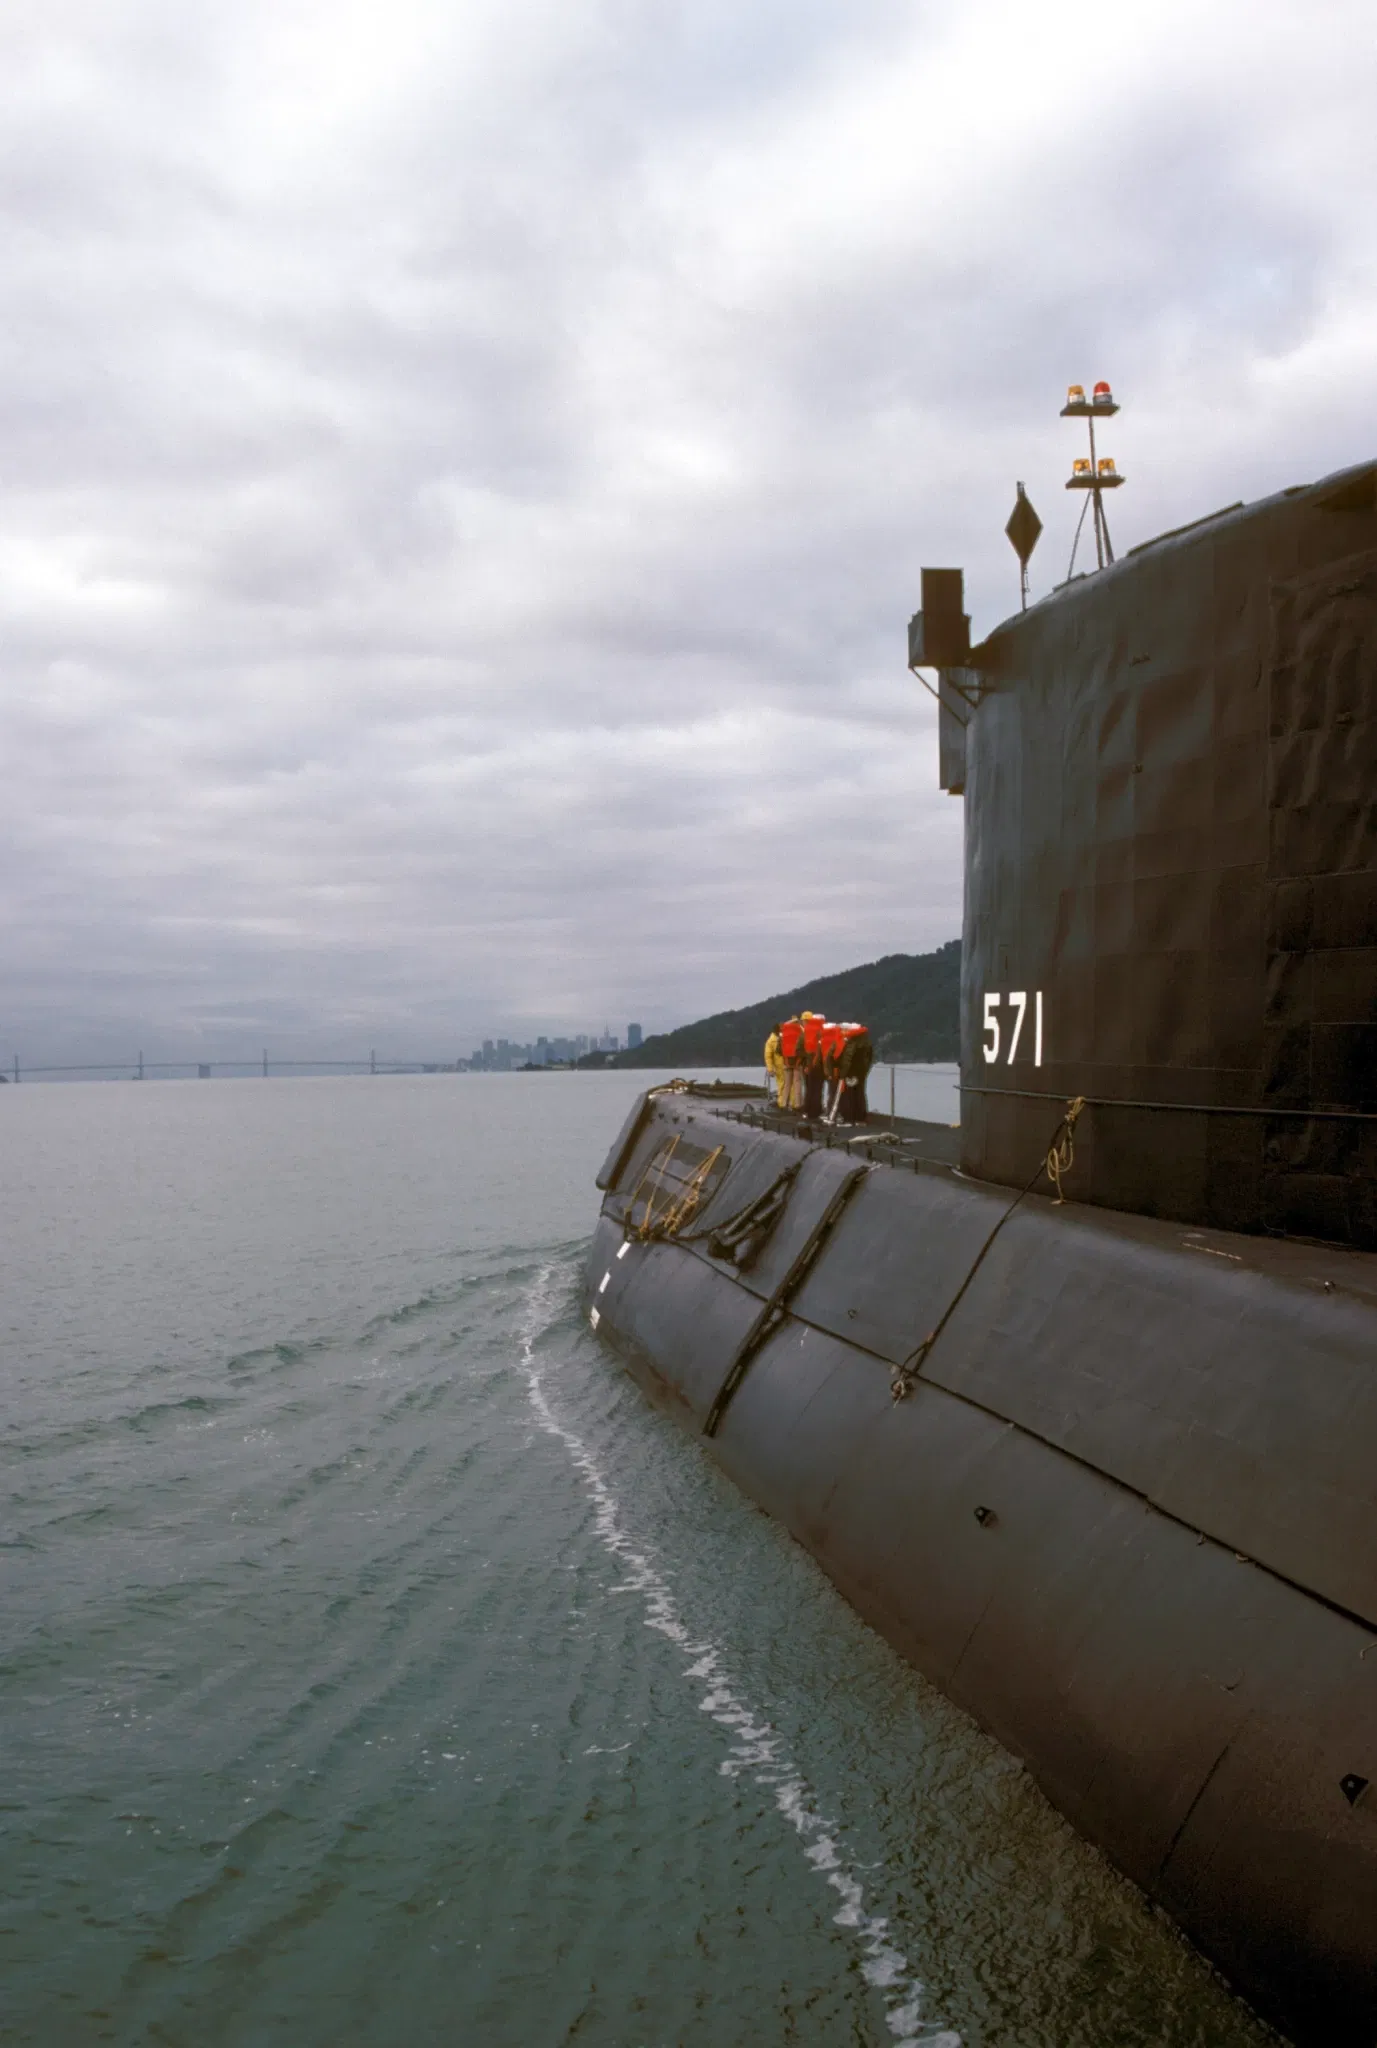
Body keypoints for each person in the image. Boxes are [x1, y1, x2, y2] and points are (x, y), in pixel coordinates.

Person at [837, 1023, 873, 1124]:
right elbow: (870, 1058)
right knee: (860, 1094)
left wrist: (843, 1073)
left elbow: (848, 1059)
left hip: (851, 1072)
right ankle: (861, 1117)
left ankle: (849, 1117)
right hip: (862, 1073)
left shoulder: (852, 1042)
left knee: (849, 1095)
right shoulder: (867, 1042)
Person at [801, 1011, 826, 1120]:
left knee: (810, 1089)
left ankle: (807, 1110)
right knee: (817, 1089)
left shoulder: (806, 1032)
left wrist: (805, 1063)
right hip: (818, 1065)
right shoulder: (822, 1032)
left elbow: (803, 1049)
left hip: (808, 1065)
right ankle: (815, 1112)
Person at [821, 1019, 846, 1122]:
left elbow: (826, 1057)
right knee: (835, 1093)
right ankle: (833, 1114)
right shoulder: (838, 1042)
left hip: (830, 1070)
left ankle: (830, 1112)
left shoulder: (826, 1039)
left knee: (832, 1092)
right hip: (836, 1072)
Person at [779, 1015, 803, 1111]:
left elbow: (781, 1050)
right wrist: (798, 1062)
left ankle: (784, 1104)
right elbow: (801, 1049)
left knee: (787, 1084)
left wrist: (786, 1061)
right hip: (797, 1063)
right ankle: (798, 1105)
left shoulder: (784, 1034)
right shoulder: (799, 1033)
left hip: (786, 1062)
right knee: (797, 1083)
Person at [763, 1024, 786, 1108]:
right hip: (779, 1066)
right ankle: (781, 1103)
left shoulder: (775, 1039)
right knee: (782, 1085)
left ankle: (790, 1103)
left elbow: (767, 1056)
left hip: (787, 1065)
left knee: (789, 1086)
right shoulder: (771, 1041)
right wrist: (770, 1069)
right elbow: (768, 1056)